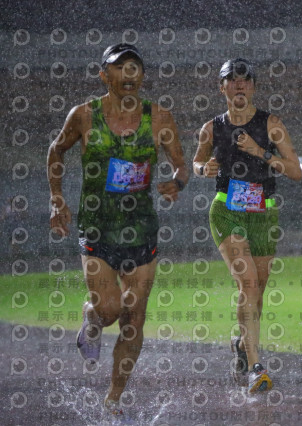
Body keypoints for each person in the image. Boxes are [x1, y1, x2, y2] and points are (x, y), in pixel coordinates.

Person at [47, 43, 188, 415]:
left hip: (141, 230)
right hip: (98, 228)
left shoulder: (159, 118)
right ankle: (93, 315)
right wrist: (57, 198)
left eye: (134, 68)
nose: (129, 74)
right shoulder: (83, 116)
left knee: (134, 319)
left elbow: (180, 164)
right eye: (120, 67)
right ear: (103, 75)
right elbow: (56, 150)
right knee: (110, 311)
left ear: (142, 76)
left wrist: (177, 181)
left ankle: (113, 399)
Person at [193, 58, 302, 393]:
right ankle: (256, 367)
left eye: (245, 79)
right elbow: (197, 161)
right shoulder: (212, 128)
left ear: (253, 86)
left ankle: (242, 345)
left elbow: (296, 171)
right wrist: (203, 170)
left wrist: (261, 152)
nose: (239, 84)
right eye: (232, 79)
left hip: (263, 214)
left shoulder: (271, 124)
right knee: (249, 286)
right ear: (222, 87)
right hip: (226, 211)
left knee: (258, 290)